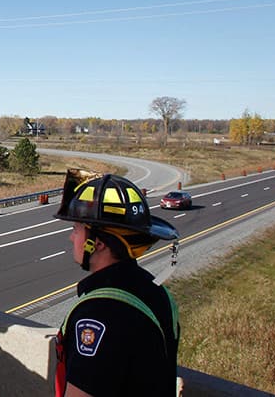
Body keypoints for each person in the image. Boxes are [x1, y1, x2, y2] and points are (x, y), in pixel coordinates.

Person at [53, 170, 181, 397]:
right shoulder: (157, 293)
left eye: (76, 229)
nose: (71, 237)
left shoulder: (97, 315)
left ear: (98, 243)